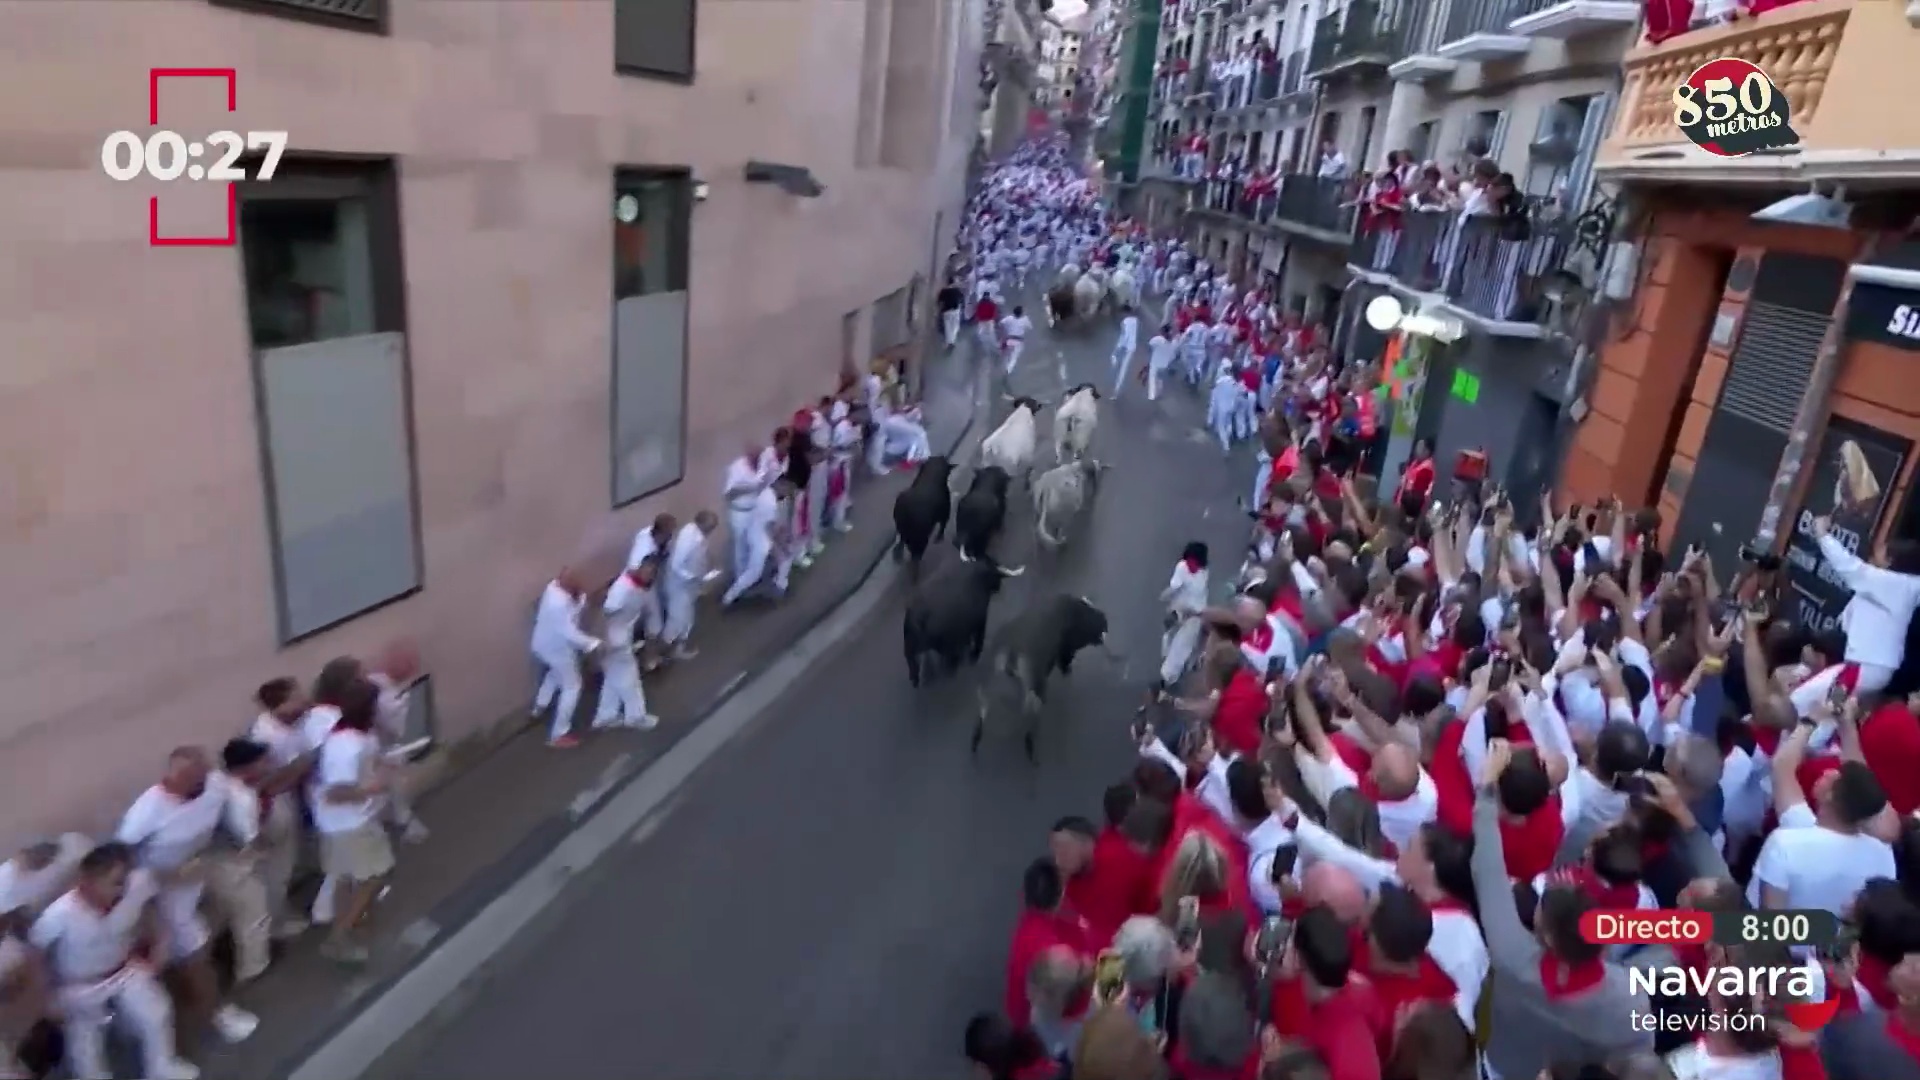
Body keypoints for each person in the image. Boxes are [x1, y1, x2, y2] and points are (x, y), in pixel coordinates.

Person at [29, 843, 198, 1079]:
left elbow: (149, 905)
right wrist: (47, 997)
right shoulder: (59, 915)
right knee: (86, 1047)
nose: (122, 888)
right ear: (88, 881)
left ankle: (161, 1069)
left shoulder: (135, 884)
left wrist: (160, 943)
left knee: (156, 1013)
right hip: (78, 985)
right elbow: (36, 952)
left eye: (124, 879)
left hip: (124, 969)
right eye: (115, 882)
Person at [529, 568, 603, 749]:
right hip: (556, 648)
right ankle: (558, 733)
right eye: (575, 583)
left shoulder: (554, 588)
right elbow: (569, 633)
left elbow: (575, 604)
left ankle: (539, 707)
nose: (579, 585)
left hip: (543, 645)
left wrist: (581, 598)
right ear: (565, 583)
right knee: (572, 685)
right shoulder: (557, 604)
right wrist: (594, 644)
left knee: (555, 673)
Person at [593, 558, 661, 730]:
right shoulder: (623, 589)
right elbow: (605, 613)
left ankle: (605, 716)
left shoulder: (635, 586)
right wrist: (603, 641)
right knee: (630, 677)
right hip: (615, 641)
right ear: (640, 568)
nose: (649, 576)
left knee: (614, 678)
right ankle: (636, 716)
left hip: (618, 639)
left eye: (652, 573)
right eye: (647, 571)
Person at [662, 511, 719, 657]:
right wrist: (692, 578)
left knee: (687, 617)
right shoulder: (687, 538)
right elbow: (676, 564)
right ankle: (667, 650)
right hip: (679, 585)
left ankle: (679, 647)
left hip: (689, 585)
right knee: (677, 618)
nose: (711, 531)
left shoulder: (698, 535)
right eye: (710, 527)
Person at [1111, 305, 1139, 398]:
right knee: (1124, 369)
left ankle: (1116, 390)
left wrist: (1118, 348)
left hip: (1124, 347)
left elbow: (1124, 336)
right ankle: (1117, 389)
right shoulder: (1135, 320)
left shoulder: (1124, 322)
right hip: (1132, 348)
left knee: (1119, 368)